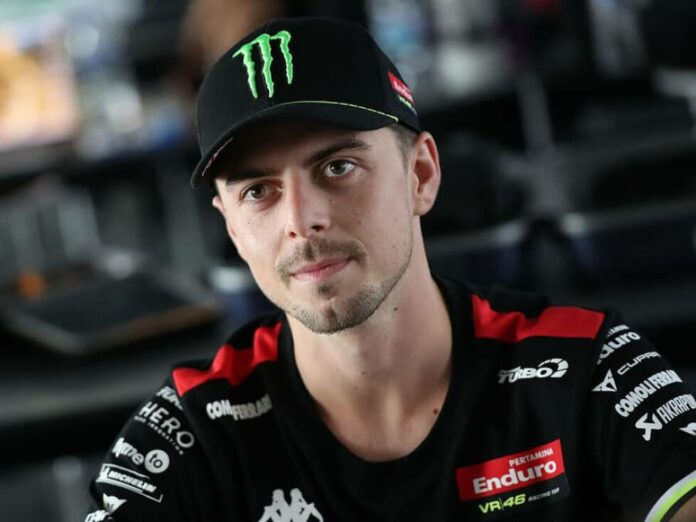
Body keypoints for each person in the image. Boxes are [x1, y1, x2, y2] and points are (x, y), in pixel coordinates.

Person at [85, 17, 696, 521]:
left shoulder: (588, 366)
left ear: (420, 175)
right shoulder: (191, 433)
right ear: (232, 228)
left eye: (338, 167)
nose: (301, 220)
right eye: (258, 191)